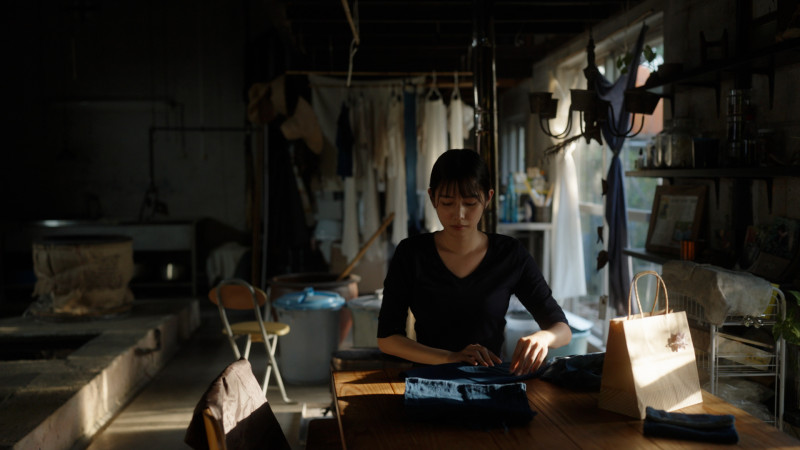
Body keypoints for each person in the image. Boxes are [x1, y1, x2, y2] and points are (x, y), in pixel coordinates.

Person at [377, 149, 571, 376]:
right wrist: (450, 358)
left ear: (488, 198)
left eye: (470, 203)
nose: (459, 214)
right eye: (448, 203)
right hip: (429, 381)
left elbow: (562, 329)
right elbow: (387, 339)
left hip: (490, 381)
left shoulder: (509, 254)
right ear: (432, 198)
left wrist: (543, 338)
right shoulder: (411, 254)